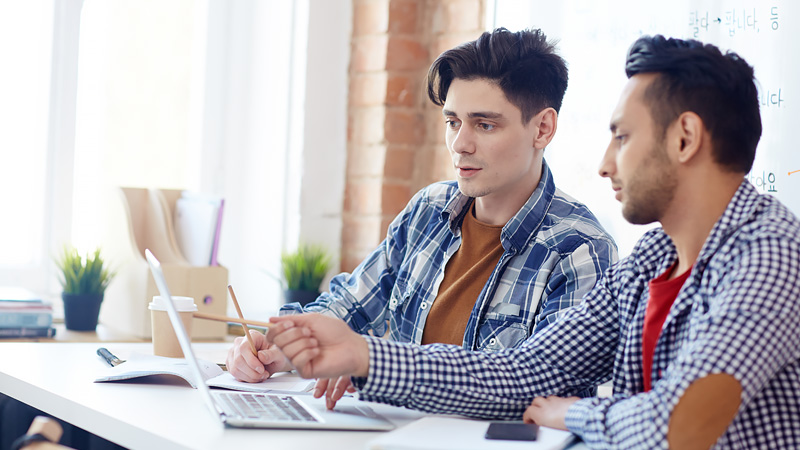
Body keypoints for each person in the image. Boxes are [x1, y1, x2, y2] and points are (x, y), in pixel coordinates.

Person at [265, 35, 800, 449]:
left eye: (622, 136)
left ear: (684, 138)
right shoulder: (652, 262)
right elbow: (526, 372)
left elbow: (679, 424)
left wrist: (573, 413)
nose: (605, 163)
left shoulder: (770, 256)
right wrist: (364, 354)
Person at [227, 27, 617, 403]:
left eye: (484, 124)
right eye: (452, 122)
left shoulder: (580, 249)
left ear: (543, 128)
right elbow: (351, 304)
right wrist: (282, 343)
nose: (460, 144)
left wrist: (372, 361)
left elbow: (537, 383)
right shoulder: (428, 210)